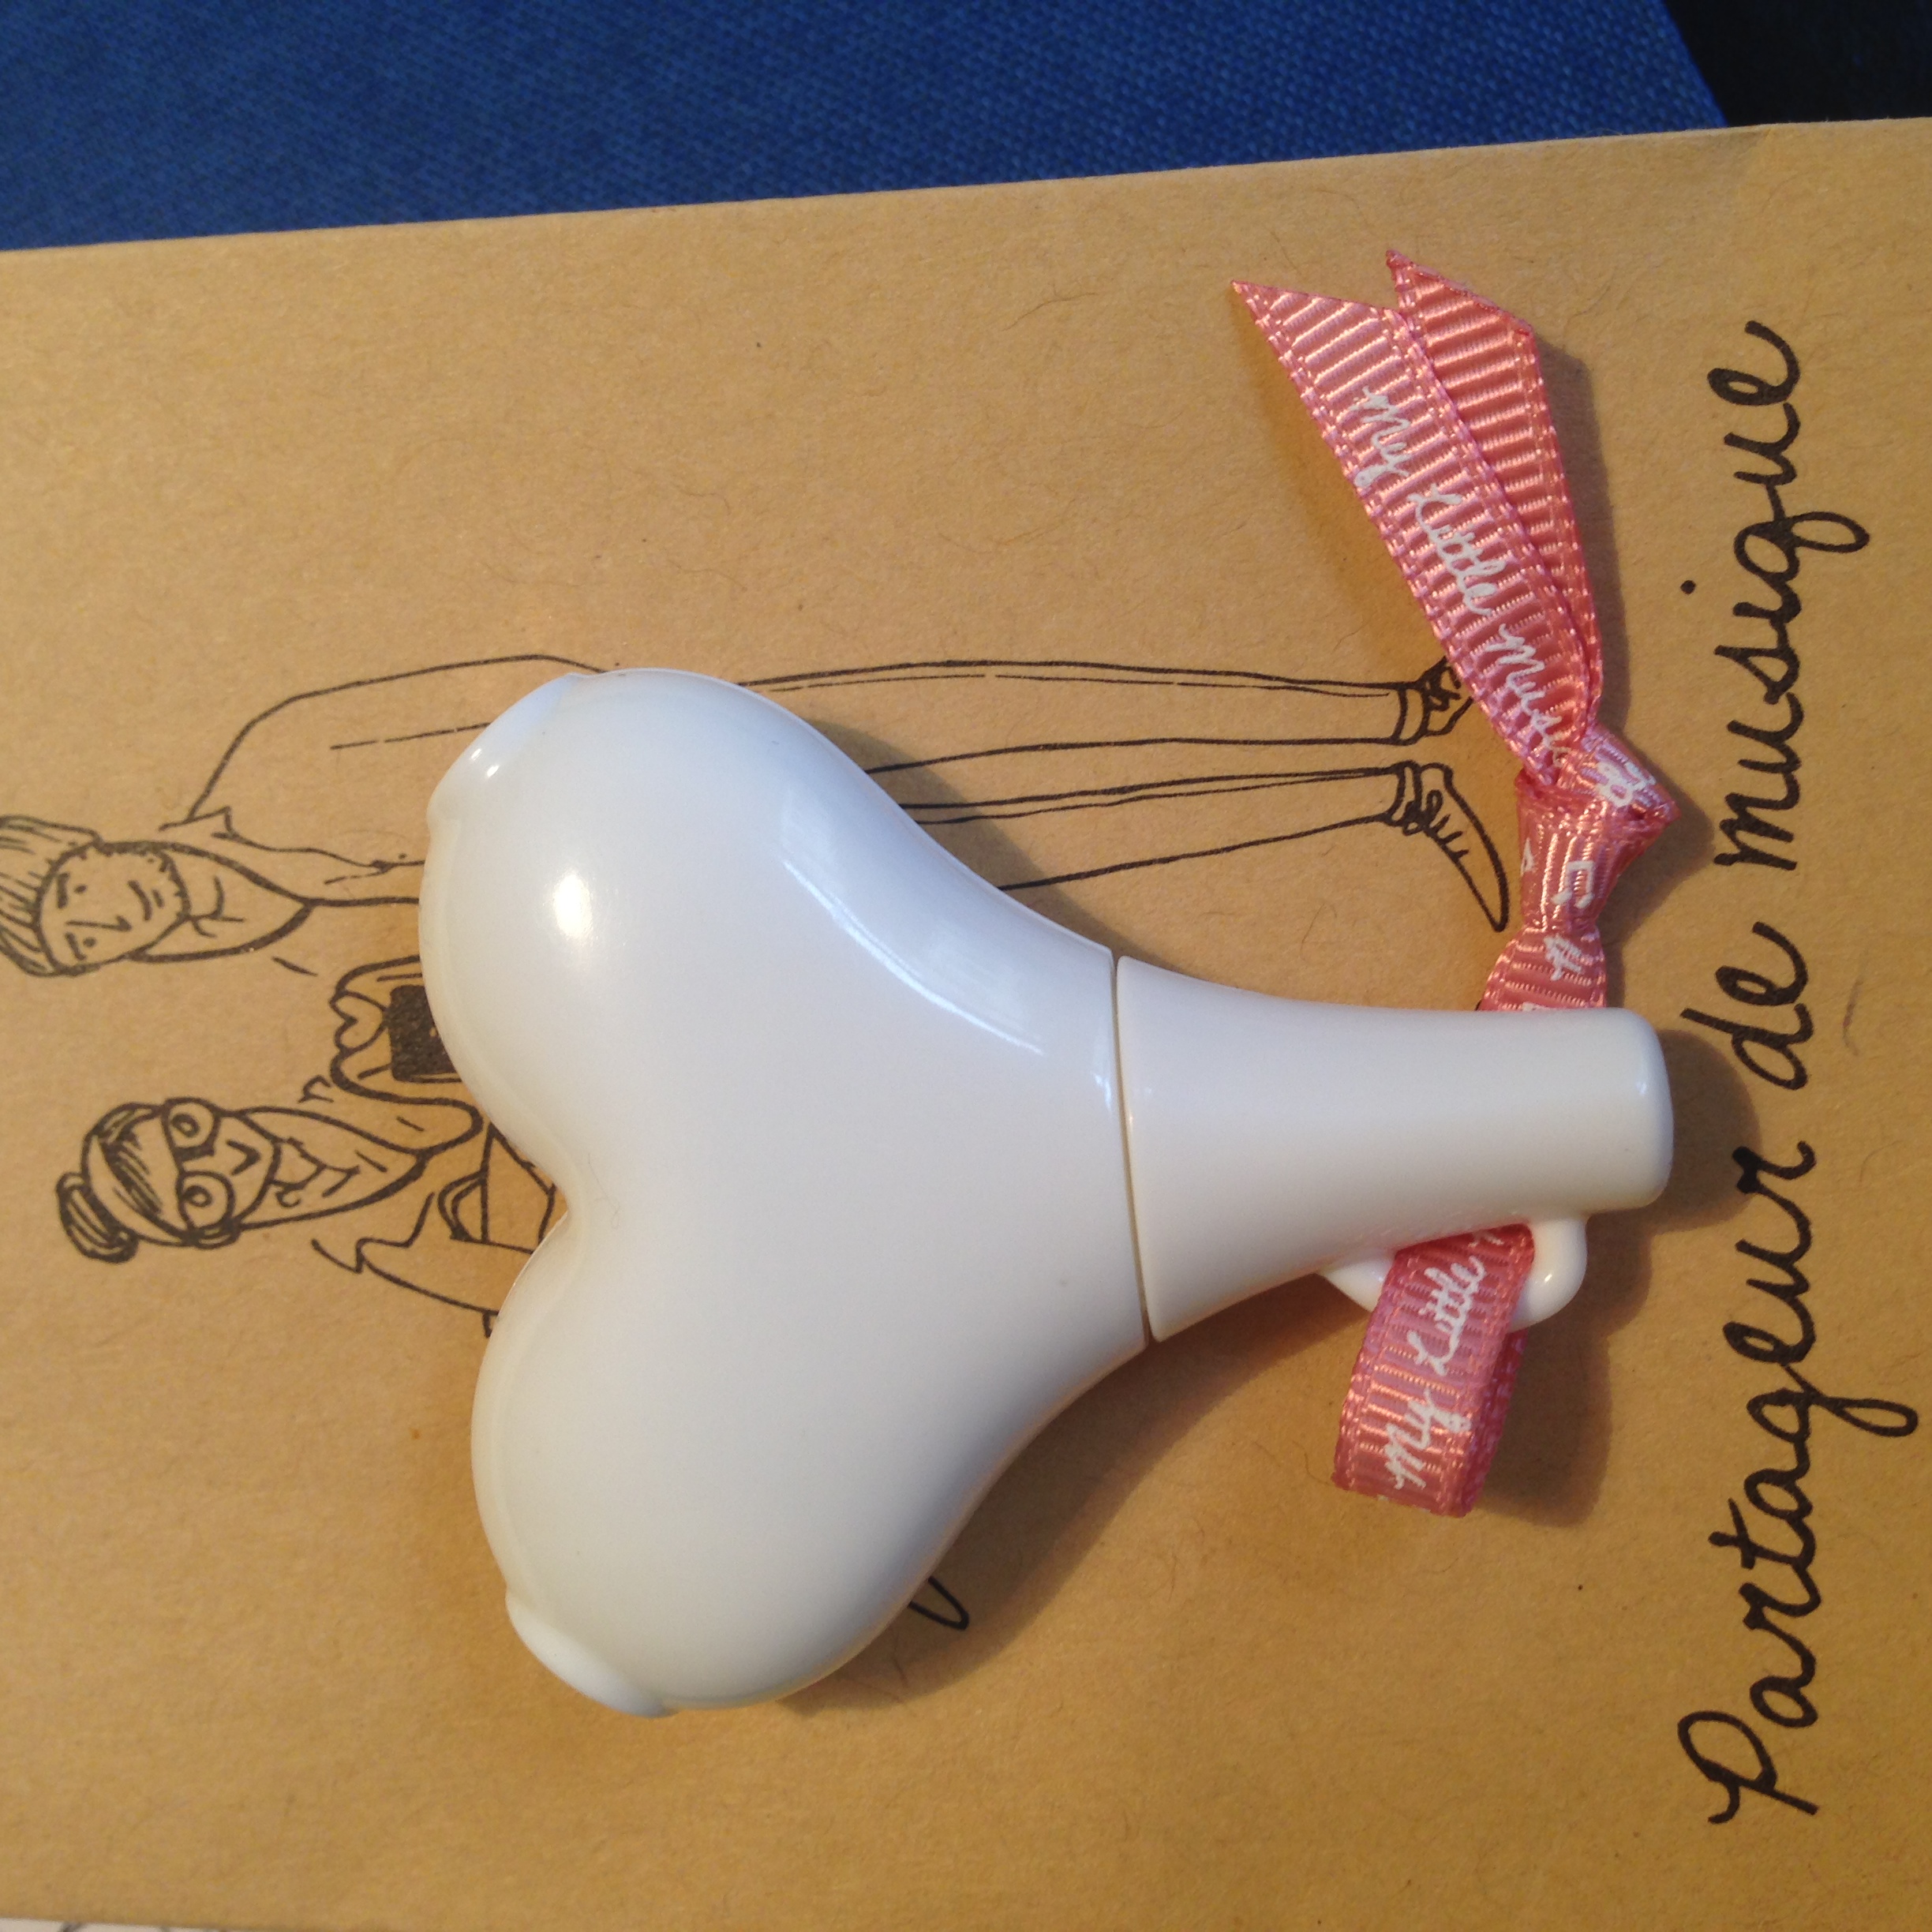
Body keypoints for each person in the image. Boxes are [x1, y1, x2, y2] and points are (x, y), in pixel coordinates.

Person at [57, 958, 555, 1327]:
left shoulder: (373, 1031)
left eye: (189, 1131)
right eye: (200, 1194)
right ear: (214, 1232)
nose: (227, 1158)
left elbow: (515, 972)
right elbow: (550, 1299)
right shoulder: (397, 1247)